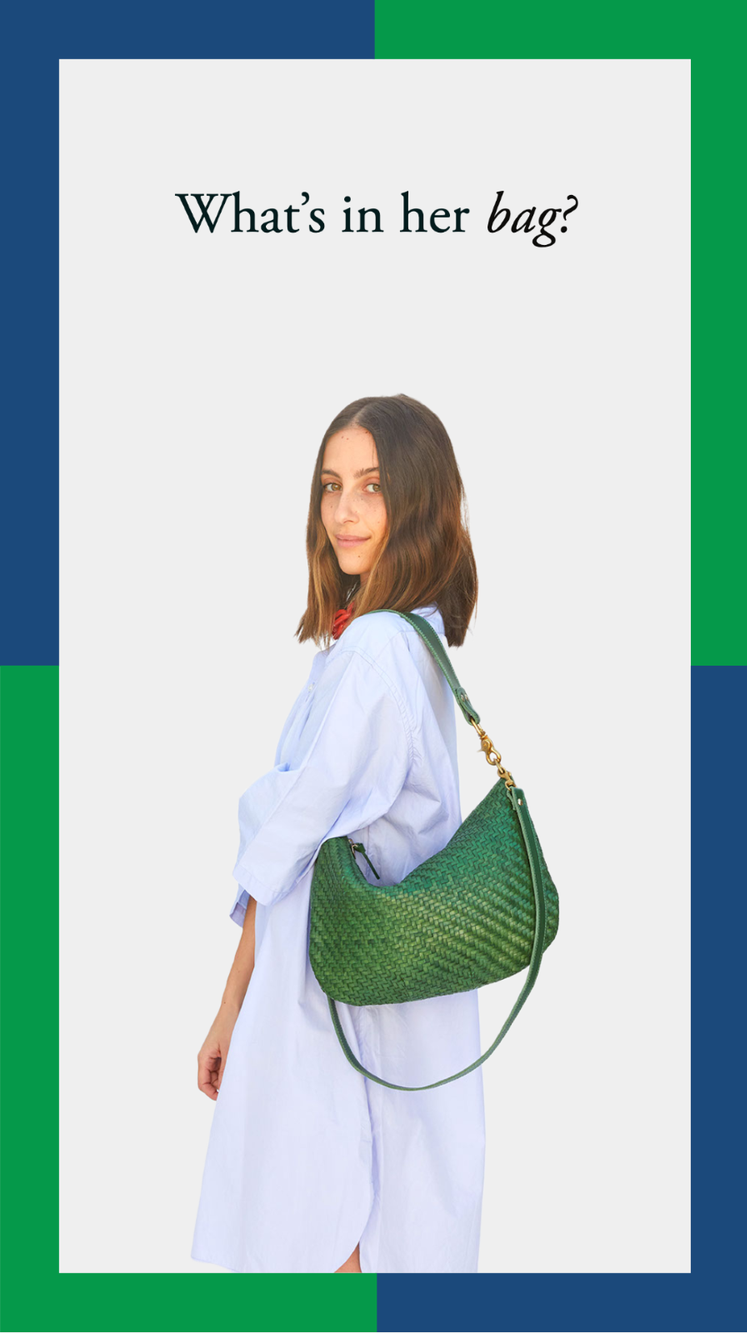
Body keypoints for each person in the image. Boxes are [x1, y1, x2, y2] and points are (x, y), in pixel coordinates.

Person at [190, 393, 486, 1274]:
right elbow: (292, 839)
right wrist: (231, 1002)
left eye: (372, 486)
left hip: (337, 1005)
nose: (344, 511)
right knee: (368, 1222)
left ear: (418, 500)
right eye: (330, 485)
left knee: (324, 1227)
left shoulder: (376, 652)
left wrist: (233, 1002)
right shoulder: (405, 642)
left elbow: (284, 829)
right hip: (376, 997)